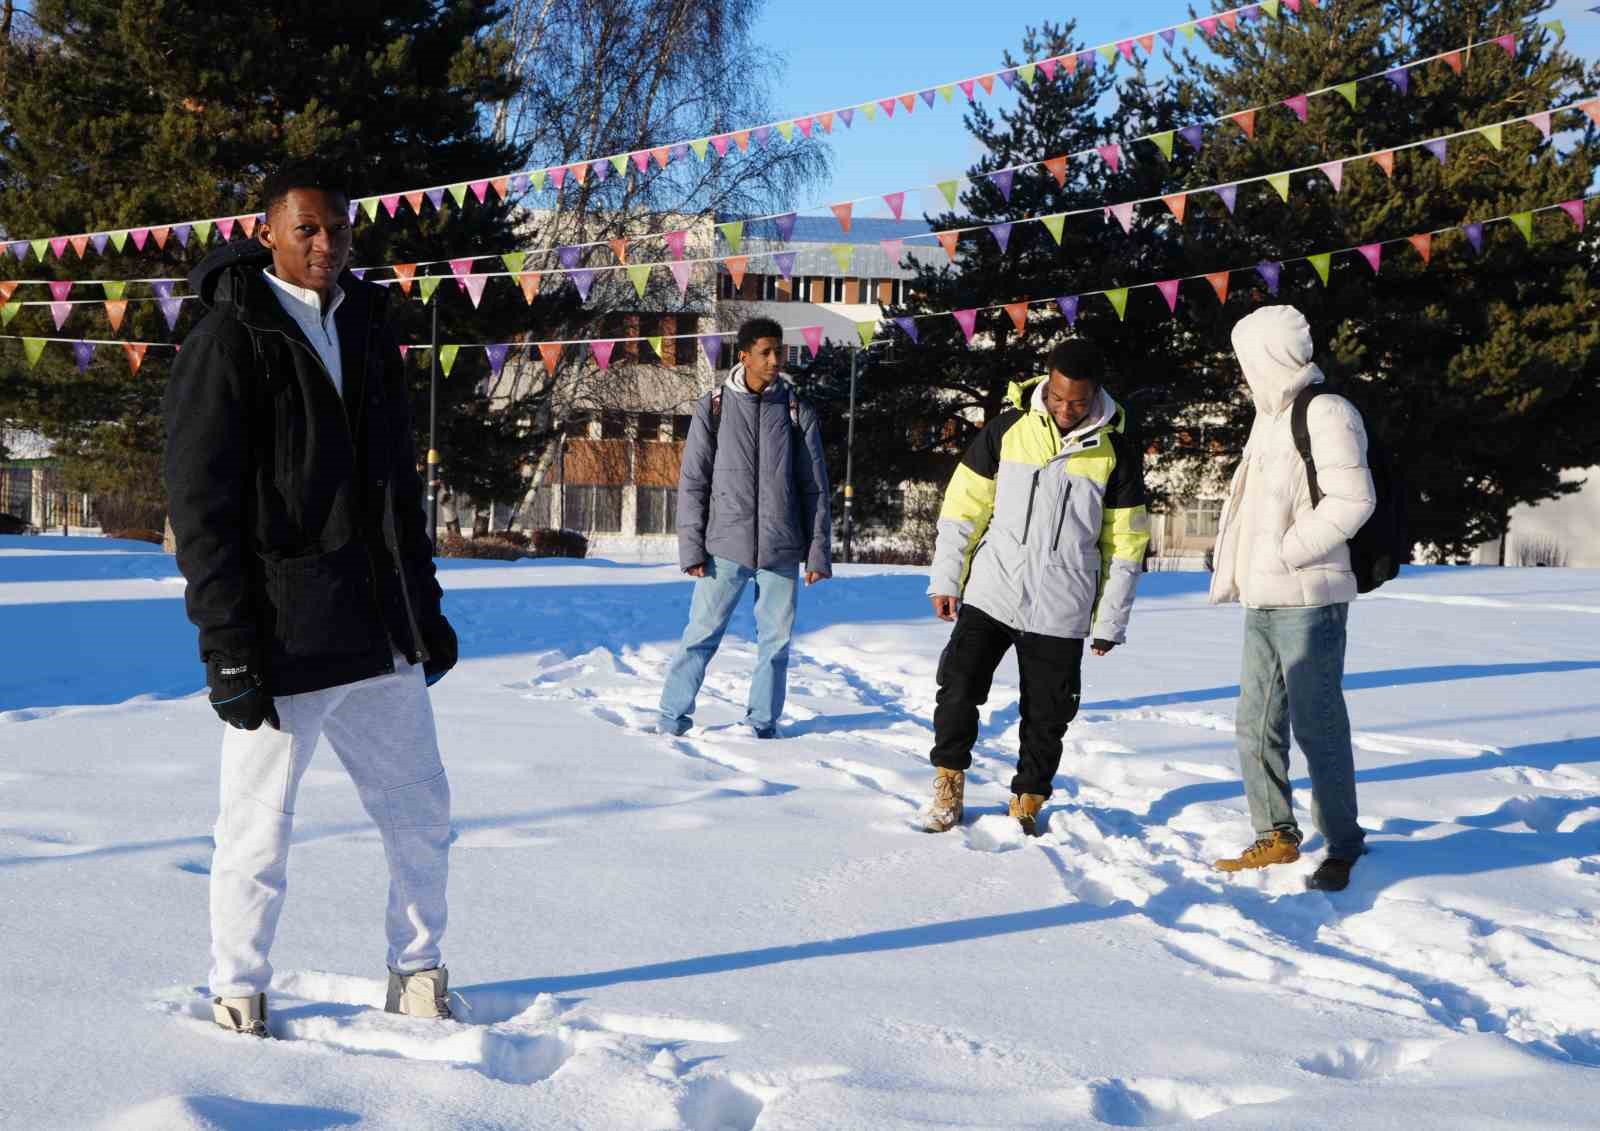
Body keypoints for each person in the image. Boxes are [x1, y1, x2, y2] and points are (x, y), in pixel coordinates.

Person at [164, 162, 459, 1037]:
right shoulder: (230, 333)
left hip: (380, 631)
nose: (326, 243)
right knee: (257, 835)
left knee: (422, 814)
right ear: (269, 233)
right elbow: (200, 503)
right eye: (307, 229)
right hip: (284, 636)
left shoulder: (368, 325)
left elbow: (397, 485)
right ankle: (239, 991)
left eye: (338, 227)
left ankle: (418, 975)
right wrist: (227, 646)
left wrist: (425, 604)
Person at [924, 340, 1149, 835]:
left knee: (1048, 714)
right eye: (1059, 399)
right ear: (1047, 383)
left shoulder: (1117, 451)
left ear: (1095, 395)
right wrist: (947, 577)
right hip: (993, 589)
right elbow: (963, 509)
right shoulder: (1008, 429)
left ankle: (1027, 799)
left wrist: (1110, 619)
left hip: (1061, 604)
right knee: (958, 687)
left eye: (1078, 403)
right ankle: (948, 780)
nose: (1066, 411)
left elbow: (1127, 545)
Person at [1208, 305, 1375, 892]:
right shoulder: (1267, 420)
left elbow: (1354, 501)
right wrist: (1240, 570)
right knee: (1255, 724)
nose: (1241, 370)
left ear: (1269, 355)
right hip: (1263, 599)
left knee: (1317, 723)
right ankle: (1275, 833)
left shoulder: (1326, 412)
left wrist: (1289, 551)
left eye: (1246, 357)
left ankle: (1343, 842)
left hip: (1310, 600)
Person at [658, 317, 832, 738]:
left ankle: (762, 725)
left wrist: (817, 551)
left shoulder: (795, 409)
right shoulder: (713, 407)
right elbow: (693, 482)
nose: (775, 360)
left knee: (775, 644)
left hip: (783, 547)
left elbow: (815, 488)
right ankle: (670, 718)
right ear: (744, 356)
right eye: (766, 352)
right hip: (724, 546)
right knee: (700, 634)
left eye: (780, 352)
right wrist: (692, 549)